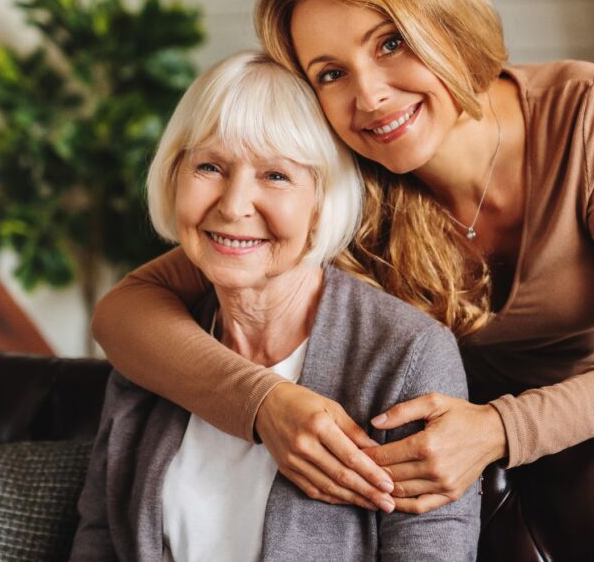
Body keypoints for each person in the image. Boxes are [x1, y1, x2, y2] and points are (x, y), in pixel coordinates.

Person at [90, 0, 594, 515]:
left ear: (446, 22)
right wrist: (262, 404)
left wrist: (497, 429)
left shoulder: (583, 112)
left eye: (391, 42)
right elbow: (124, 311)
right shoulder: (346, 176)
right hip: (426, 483)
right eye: (330, 74)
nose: (370, 95)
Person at [70, 51, 479, 561]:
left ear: (321, 201)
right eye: (210, 166)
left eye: (276, 176)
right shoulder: (157, 346)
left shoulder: (406, 353)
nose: (234, 204)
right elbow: (101, 535)